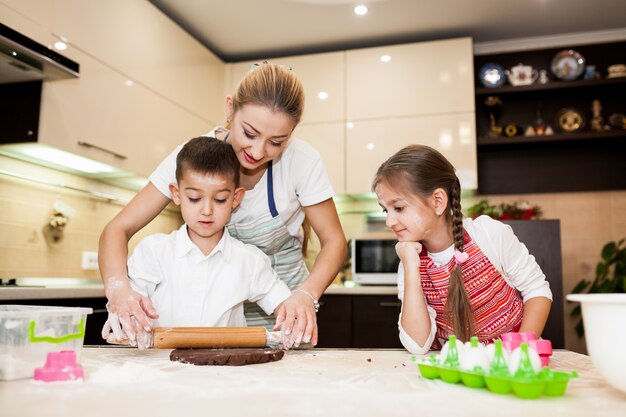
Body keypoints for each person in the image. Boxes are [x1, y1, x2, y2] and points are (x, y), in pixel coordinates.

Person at [99, 62, 346, 348]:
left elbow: (334, 241)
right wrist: (119, 291)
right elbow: (118, 228)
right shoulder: (193, 158)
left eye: (276, 142)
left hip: (285, 305)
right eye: (250, 133)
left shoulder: (301, 161)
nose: (257, 151)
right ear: (230, 109)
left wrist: (305, 296)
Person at [102, 137, 292, 348]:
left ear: (236, 198)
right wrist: (126, 317)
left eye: (220, 200)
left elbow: (285, 305)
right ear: (176, 194)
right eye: (194, 198)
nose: (207, 210)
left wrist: (296, 313)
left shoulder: (250, 261)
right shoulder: (154, 252)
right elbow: (129, 304)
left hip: (227, 374)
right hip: (160, 372)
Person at [372, 144, 552, 354]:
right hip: (455, 371)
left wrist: (521, 352)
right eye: (386, 210)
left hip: (513, 363)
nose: (389, 221)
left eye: (399, 208)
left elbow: (537, 289)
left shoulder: (488, 233)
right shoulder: (410, 261)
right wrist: (411, 266)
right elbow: (418, 345)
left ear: (438, 201)